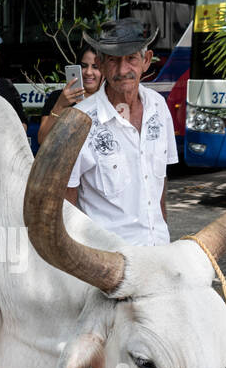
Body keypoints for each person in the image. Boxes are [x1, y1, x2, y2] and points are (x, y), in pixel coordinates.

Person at [65, 19, 178, 246]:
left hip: (159, 251)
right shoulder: (81, 120)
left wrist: (163, 232)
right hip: (109, 261)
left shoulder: (158, 107)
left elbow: (159, 182)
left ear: (146, 61)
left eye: (131, 59)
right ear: (101, 64)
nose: (123, 70)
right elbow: (67, 199)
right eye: (114, 61)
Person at [36, 46, 101, 143]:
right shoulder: (58, 97)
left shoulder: (111, 99)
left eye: (95, 67)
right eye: (83, 66)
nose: (88, 72)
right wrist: (60, 105)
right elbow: (42, 140)